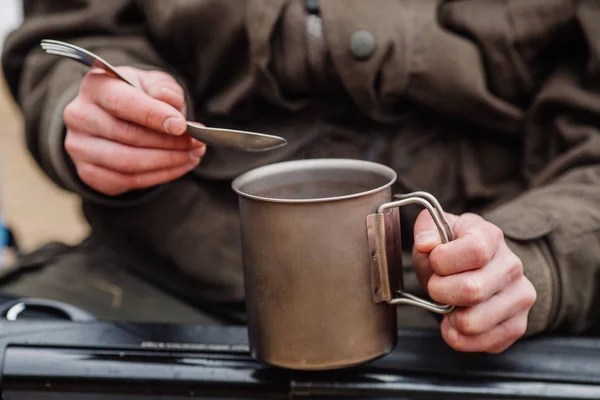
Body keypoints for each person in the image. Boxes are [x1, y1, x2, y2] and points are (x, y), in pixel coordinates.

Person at [0, 0, 598, 354]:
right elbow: (70, 31)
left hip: (485, 307)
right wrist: (90, 114)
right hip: (159, 281)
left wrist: (532, 256)